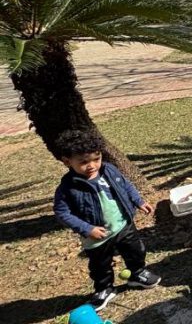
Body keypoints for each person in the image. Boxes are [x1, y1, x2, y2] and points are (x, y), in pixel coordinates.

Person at [52, 130, 160, 312]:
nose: (92, 165)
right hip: (97, 236)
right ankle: (104, 289)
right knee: (100, 265)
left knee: (135, 251)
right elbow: (62, 212)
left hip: (123, 224)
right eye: (83, 162)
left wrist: (138, 201)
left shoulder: (109, 170)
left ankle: (137, 273)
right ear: (67, 161)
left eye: (97, 158)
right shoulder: (68, 187)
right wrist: (87, 229)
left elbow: (125, 185)